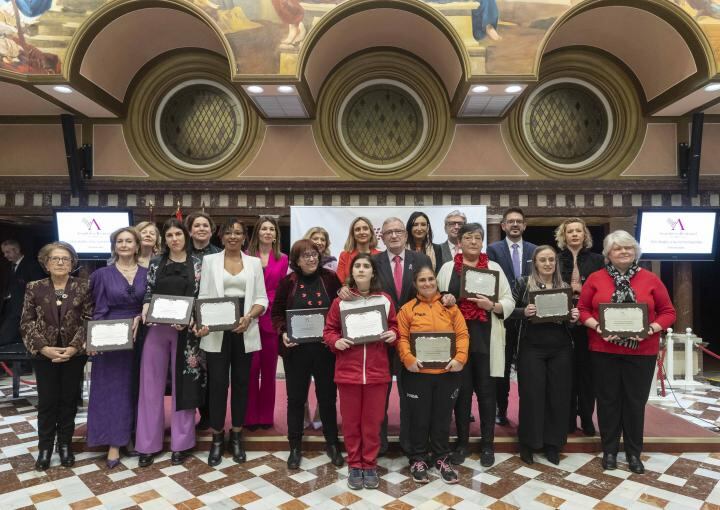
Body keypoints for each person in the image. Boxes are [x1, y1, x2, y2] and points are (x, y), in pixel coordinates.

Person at [578, 230, 676, 474]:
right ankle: (609, 451)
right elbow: (582, 310)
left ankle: (634, 454)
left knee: (634, 403)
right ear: (608, 254)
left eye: (628, 248)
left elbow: (668, 312)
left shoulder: (651, 279)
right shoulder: (595, 278)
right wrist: (598, 326)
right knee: (608, 401)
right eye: (617, 248)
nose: (623, 252)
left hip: (642, 352)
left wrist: (651, 329)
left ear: (635, 252)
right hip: (603, 350)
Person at [437, 223, 514, 467]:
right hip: (457, 340)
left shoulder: (494, 268)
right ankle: (461, 443)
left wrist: (491, 306)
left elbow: (508, 300)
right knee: (461, 394)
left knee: (487, 393)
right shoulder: (448, 268)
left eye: (477, 237)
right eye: (467, 237)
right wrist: (445, 299)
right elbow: (435, 300)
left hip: (486, 336)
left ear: (482, 242)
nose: (472, 241)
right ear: (459, 242)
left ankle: (488, 444)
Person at [195, 218, 268, 466]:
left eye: (238, 233)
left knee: (241, 384)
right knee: (216, 385)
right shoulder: (209, 261)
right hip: (216, 331)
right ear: (221, 236)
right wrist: (204, 321)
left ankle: (236, 435)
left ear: (245, 237)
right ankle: (217, 437)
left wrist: (248, 317)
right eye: (229, 232)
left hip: (243, 329)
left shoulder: (254, 263)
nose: (233, 236)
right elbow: (204, 296)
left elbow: (261, 298)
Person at [323, 253, 398, 490]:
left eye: (367, 266)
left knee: (373, 422)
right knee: (352, 422)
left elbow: (395, 325)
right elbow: (329, 330)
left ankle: (370, 464)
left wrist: (393, 334)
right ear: (351, 272)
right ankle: (355, 464)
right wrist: (336, 342)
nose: (362, 270)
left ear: (373, 272)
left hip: (377, 373)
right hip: (348, 372)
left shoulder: (384, 299)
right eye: (358, 266)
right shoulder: (341, 302)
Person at [136, 218, 204, 468]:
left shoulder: (198, 264)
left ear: (185, 236)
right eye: (170, 235)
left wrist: (189, 319)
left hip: (185, 331)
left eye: (178, 234)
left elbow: (200, 296)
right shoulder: (156, 263)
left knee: (183, 384)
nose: (174, 239)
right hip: (156, 328)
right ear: (164, 240)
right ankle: (147, 444)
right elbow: (149, 290)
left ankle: (181, 443)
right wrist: (145, 306)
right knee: (150, 385)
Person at [272, 239, 344, 469]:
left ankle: (332, 443)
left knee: (327, 398)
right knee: (295, 399)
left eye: (314, 254)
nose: (311, 259)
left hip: (325, 350)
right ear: (296, 260)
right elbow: (277, 314)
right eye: (306, 256)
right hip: (297, 352)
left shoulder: (330, 279)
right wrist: (283, 332)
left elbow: (340, 308)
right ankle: (295, 446)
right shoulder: (288, 282)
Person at [20, 241, 92, 471]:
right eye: (55, 259)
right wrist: (43, 347)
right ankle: (44, 448)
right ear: (46, 263)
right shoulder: (34, 287)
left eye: (65, 259)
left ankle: (65, 445)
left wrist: (73, 347)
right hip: (44, 355)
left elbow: (88, 319)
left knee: (69, 401)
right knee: (47, 402)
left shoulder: (84, 286)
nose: (60, 262)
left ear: (72, 263)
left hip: (74, 354)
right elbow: (26, 322)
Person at [396, 265, 468, 484]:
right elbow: (402, 338)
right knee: (418, 417)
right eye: (422, 280)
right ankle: (417, 458)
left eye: (430, 279)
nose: (427, 283)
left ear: (436, 282)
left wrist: (460, 358)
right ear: (415, 284)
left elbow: (462, 334)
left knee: (442, 417)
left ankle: (440, 457)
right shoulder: (408, 309)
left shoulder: (450, 307)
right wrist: (408, 359)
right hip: (417, 373)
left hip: (447, 372)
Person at [512, 245, 578, 466]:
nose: (548, 263)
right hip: (532, 348)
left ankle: (553, 444)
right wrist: (524, 312)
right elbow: (508, 311)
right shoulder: (523, 284)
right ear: (535, 263)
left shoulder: (564, 286)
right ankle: (529, 444)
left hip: (560, 349)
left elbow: (570, 322)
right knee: (532, 396)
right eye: (543, 260)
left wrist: (574, 316)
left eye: (551, 260)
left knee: (557, 397)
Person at [87, 227, 148, 469]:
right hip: (111, 338)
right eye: (119, 241)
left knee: (137, 388)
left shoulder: (147, 272)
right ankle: (114, 442)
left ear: (136, 246)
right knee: (113, 390)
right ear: (114, 247)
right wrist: (97, 339)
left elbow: (150, 303)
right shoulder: (102, 274)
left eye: (128, 241)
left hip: (142, 336)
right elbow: (97, 309)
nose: (124, 245)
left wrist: (141, 318)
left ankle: (131, 436)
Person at [371, 217, 432, 455]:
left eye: (398, 231)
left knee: (411, 395)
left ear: (406, 236)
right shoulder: (373, 261)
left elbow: (428, 291)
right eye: (389, 232)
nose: (394, 235)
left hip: (412, 338)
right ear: (382, 237)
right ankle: (379, 443)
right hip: (381, 339)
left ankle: (410, 443)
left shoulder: (421, 260)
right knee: (380, 395)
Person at [487, 207, 537, 426]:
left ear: (524, 225)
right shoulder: (493, 250)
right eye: (511, 221)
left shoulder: (535, 250)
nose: (515, 224)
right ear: (503, 226)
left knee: (528, 366)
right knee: (503, 366)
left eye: (519, 221)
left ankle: (528, 412)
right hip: (503, 316)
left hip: (531, 318)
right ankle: (502, 409)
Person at [556, 218, 604, 436]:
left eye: (578, 231)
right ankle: (566, 419)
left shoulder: (598, 260)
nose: (574, 235)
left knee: (587, 374)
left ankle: (586, 418)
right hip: (561, 323)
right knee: (565, 374)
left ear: (585, 235)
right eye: (570, 231)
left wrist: (582, 290)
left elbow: (602, 290)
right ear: (563, 236)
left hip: (590, 323)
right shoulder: (555, 259)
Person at [245, 216, 288, 429]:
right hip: (250, 316)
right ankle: (250, 416)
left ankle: (265, 417)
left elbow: (283, 289)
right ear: (258, 233)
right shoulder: (245, 256)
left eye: (272, 229)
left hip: (271, 318)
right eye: (264, 229)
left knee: (269, 371)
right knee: (251, 370)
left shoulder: (283, 258)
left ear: (276, 235)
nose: (268, 232)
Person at [186, 212, 221, 432]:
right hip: (185, 321)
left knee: (213, 369)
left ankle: (210, 414)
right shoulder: (180, 255)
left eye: (205, 225)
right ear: (189, 230)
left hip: (213, 321)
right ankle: (191, 413)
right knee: (193, 369)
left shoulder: (220, 254)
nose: (200, 229)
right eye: (196, 225)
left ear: (212, 230)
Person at [1, 239, 44, 346]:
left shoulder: (32, 265)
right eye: (4, 253)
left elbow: (39, 289)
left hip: (24, 311)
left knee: (5, 339)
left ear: (17, 250)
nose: (5, 255)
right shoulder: (9, 266)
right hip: (9, 309)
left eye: (8, 252)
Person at [336, 216, 380, 284]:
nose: (361, 232)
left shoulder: (381, 255)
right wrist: (343, 288)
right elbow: (339, 282)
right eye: (357, 229)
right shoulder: (344, 256)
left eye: (365, 229)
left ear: (371, 233)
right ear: (353, 234)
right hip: (351, 293)